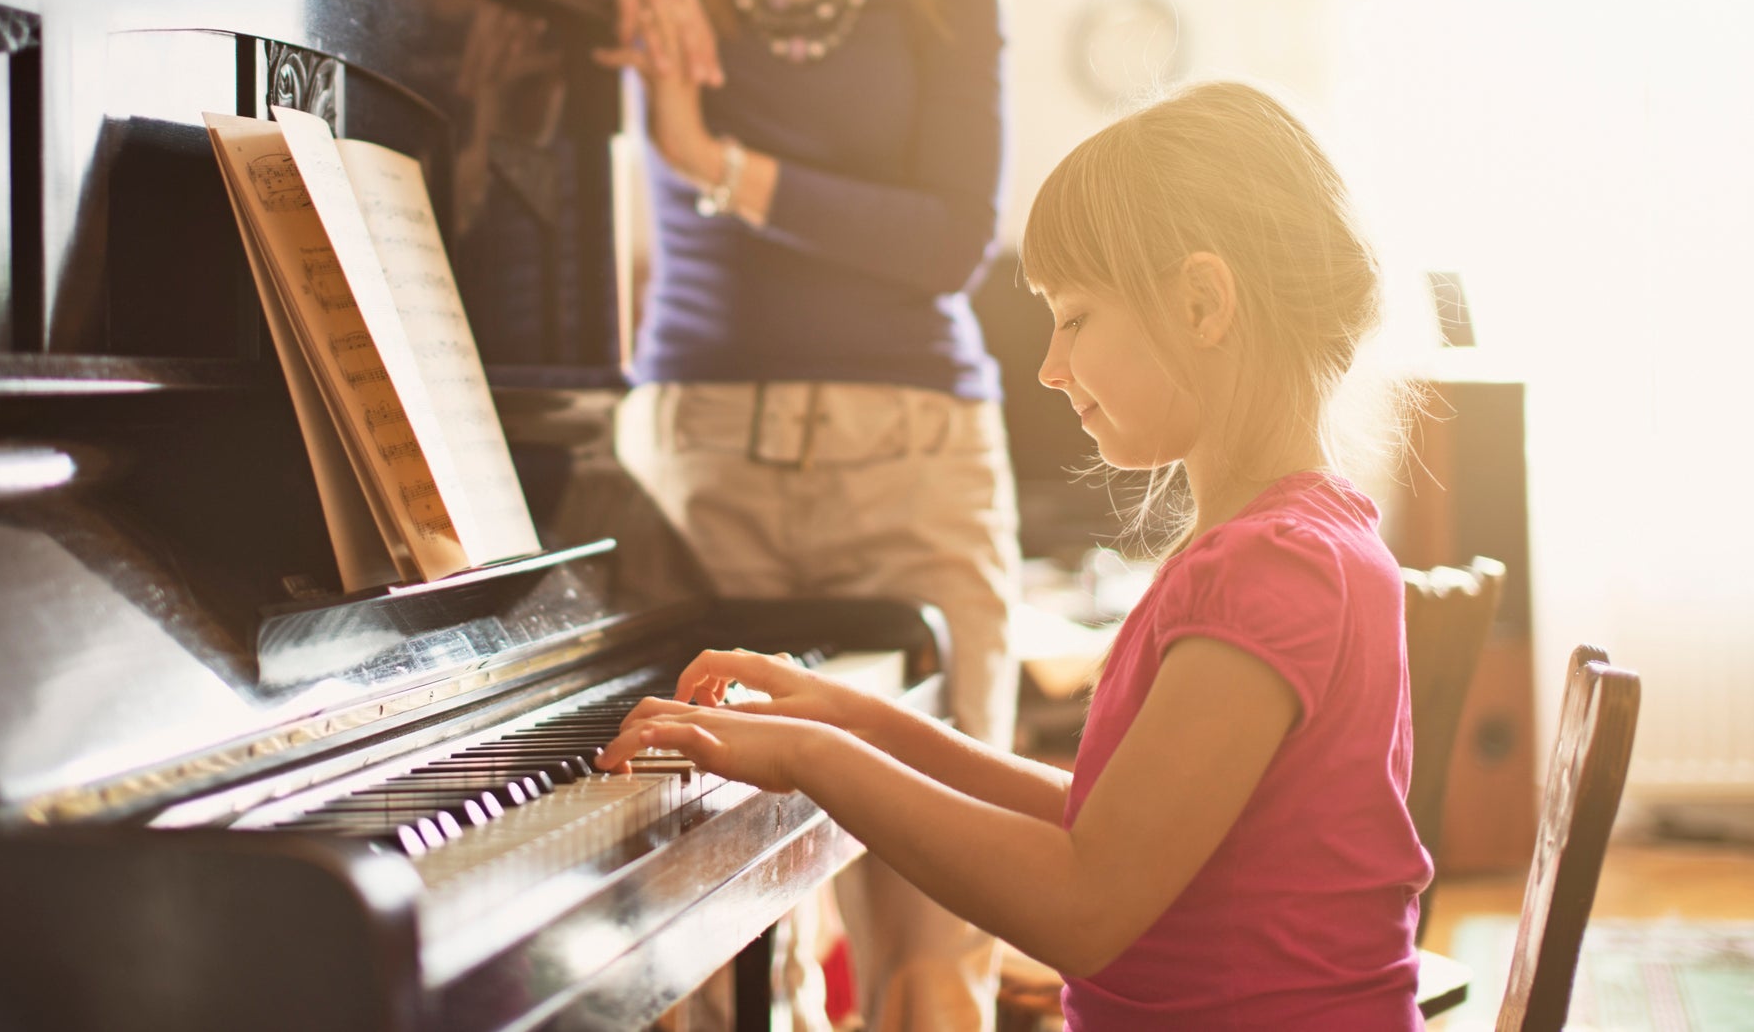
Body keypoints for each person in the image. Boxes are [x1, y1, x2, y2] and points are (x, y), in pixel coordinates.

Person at [601, 82, 1434, 1030]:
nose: (1049, 363)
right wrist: (867, 723)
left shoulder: (1273, 570)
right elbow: (1105, 820)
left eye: (1074, 316)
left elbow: (1083, 906)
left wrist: (814, 756)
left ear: (1203, 302)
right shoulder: (1298, 542)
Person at [501, 0, 1017, 1026]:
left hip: (910, 464)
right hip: (698, 470)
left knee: (928, 936)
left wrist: (713, 161)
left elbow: (947, 240)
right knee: (706, 923)